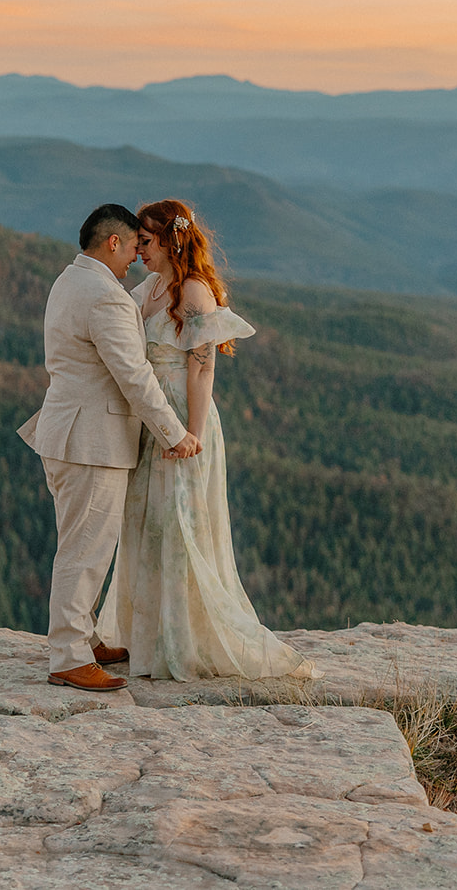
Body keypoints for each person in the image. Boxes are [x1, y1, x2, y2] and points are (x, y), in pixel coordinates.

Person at [97, 199, 318, 681]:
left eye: (148, 241)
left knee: (180, 526)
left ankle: (181, 639)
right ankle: (148, 639)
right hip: (153, 419)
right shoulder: (153, 287)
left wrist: (192, 434)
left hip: (183, 416)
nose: (140, 250)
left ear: (171, 240)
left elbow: (202, 368)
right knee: (146, 523)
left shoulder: (193, 292)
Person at [18, 204, 202, 692]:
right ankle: (69, 656)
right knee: (86, 550)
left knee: (80, 542)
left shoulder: (69, 280)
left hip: (63, 433)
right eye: (133, 247)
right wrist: (175, 432)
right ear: (113, 243)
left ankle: (85, 636)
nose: (135, 258)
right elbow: (134, 377)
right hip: (91, 442)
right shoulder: (106, 297)